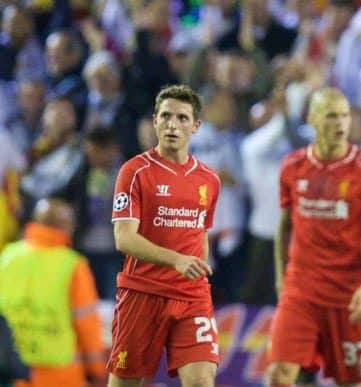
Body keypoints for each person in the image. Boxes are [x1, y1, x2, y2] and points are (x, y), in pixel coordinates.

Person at [266, 87, 361, 386]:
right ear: (313, 119)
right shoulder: (292, 166)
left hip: (349, 294)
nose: (341, 123)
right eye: (332, 116)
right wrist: (282, 278)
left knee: (351, 381)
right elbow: (284, 225)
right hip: (301, 290)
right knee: (279, 373)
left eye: (345, 115)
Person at [108, 85, 221, 386]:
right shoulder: (134, 172)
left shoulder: (209, 179)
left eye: (183, 118)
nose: (173, 125)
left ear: (196, 126)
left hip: (190, 295)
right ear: (155, 121)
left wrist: (196, 271)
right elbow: (124, 238)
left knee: (202, 381)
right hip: (142, 291)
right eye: (166, 116)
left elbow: (201, 232)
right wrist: (176, 260)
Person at [0, 198, 105, 387]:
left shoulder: (7, 256)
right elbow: (86, 323)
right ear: (67, 227)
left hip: (12, 369)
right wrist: (97, 369)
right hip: (60, 374)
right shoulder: (72, 265)